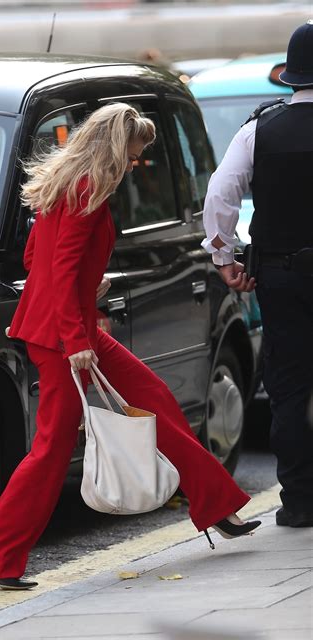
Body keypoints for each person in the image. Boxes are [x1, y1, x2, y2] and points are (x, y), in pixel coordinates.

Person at [0, 103, 260, 591]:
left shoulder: (70, 186)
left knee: (155, 398)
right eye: (133, 154)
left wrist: (88, 289)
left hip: (70, 328)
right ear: (113, 148)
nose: (133, 165)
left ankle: (218, 506)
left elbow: (38, 257)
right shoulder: (85, 192)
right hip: (63, 338)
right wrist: (77, 337)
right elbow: (56, 269)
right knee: (52, 449)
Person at [202, 22, 313, 529]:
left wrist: (225, 258)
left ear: (291, 77)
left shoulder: (259, 129)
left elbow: (220, 195)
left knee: (288, 388)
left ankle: (299, 502)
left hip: (283, 278)